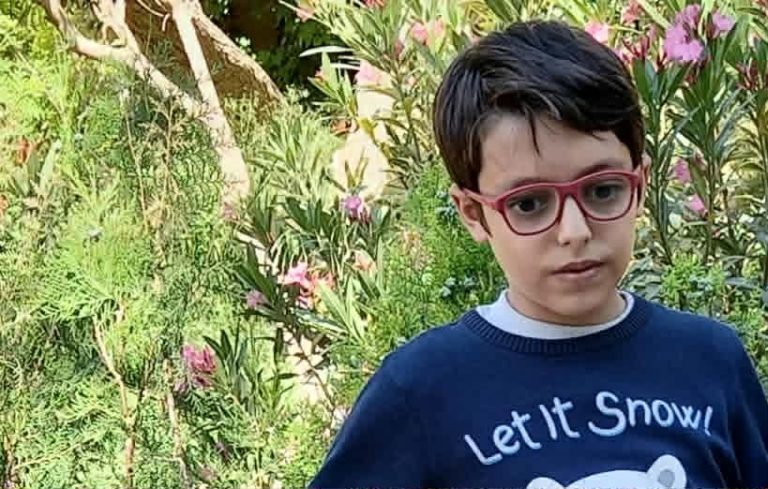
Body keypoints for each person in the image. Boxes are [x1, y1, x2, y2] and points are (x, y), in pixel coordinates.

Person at [309, 19, 768, 488]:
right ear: (473, 213)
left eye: (603, 190)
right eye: (529, 204)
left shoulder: (711, 362)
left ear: (641, 184)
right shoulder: (420, 391)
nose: (575, 231)